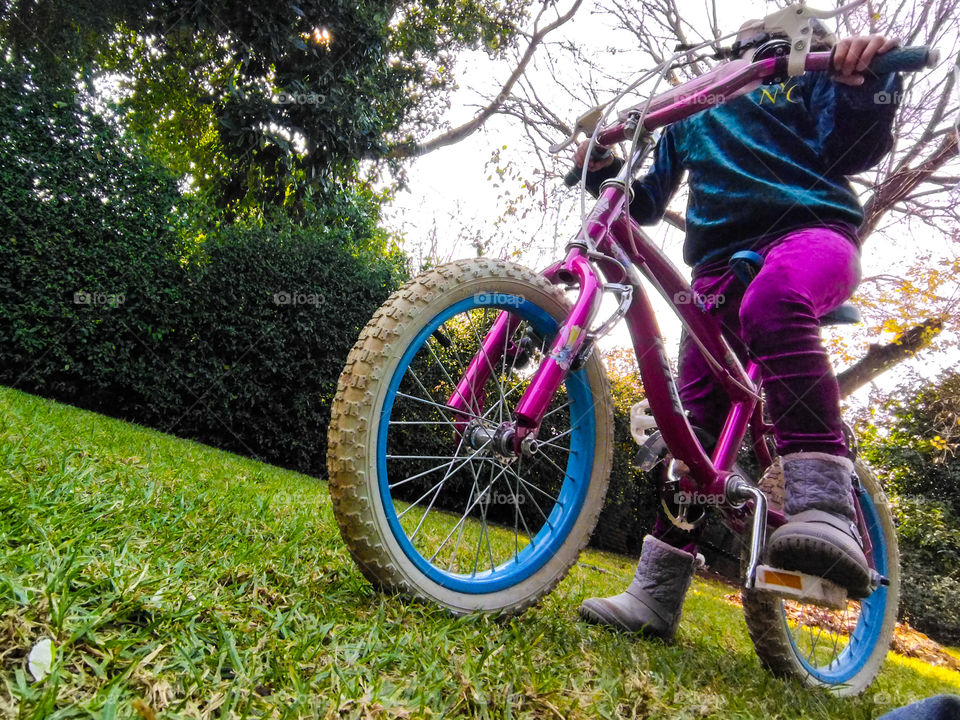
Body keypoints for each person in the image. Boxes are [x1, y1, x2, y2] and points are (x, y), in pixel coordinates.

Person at [575, 23, 903, 640]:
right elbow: (642, 204)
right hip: (718, 269)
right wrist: (603, 168)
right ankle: (656, 592)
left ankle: (827, 504)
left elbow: (855, 148)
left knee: (774, 303)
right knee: (692, 427)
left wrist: (864, 80)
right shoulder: (692, 110)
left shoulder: (803, 76)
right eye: (743, 43)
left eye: (765, 39)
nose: (748, 48)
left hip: (809, 236)